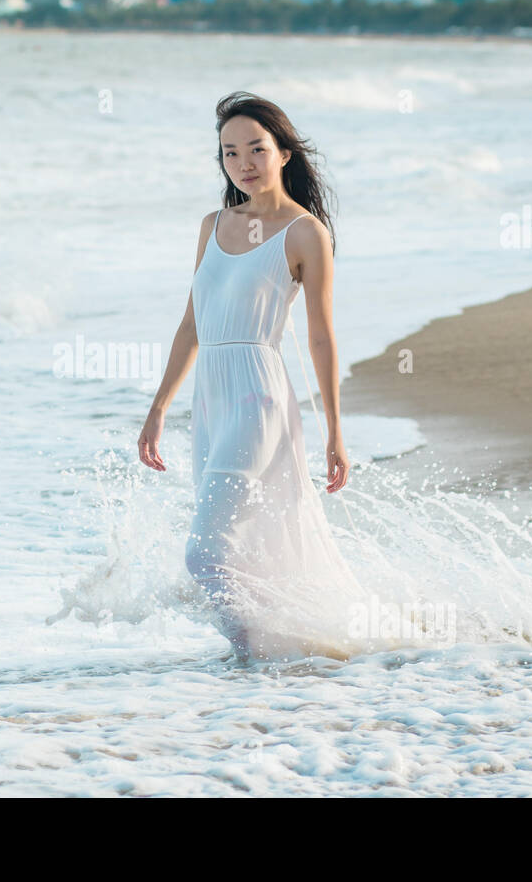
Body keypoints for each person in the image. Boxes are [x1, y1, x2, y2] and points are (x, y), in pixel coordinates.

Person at [137, 91, 369, 663]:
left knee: (205, 555)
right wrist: (160, 407)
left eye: (257, 149)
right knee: (240, 551)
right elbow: (192, 323)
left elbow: (320, 336)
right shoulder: (212, 225)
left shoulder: (304, 233)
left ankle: (251, 656)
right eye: (230, 151)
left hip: (258, 397)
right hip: (210, 401)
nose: (244, 162)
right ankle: (281, 653)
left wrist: (335, 432)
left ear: (284, 152)